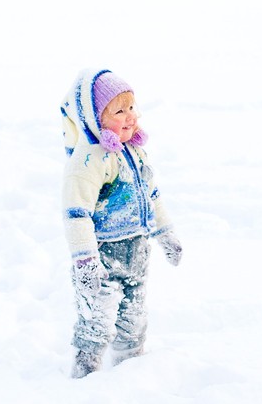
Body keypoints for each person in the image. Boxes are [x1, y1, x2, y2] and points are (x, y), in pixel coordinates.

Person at [59, 69, 183, 378]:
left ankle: (130, 373)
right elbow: (77, 213)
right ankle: (84, 375)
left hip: (137, 252)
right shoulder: (89, 160)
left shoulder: (135, 151)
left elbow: (152, 196)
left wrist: (166, 233)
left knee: (134, 319)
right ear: (95, 118)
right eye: (119, 110)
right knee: (97, 320)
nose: (129, 116)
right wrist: (85, 259)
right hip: (102, 257)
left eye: (131, 107)